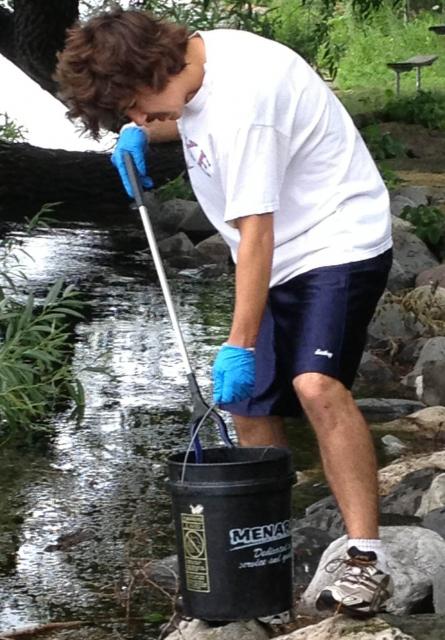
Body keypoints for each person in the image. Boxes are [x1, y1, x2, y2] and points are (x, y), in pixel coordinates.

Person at [56, 7, 394, 617]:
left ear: (156, 67)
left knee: (315, 385)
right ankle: (264, 552)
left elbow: (256, 236)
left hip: (334, 238)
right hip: (271, 246)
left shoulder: (246, 107)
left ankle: (367, 560)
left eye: (138, 107)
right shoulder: (192, 68)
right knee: (248, 405)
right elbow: (181, 118)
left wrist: (238, 344)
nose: (140, 119)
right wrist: (141, 135)